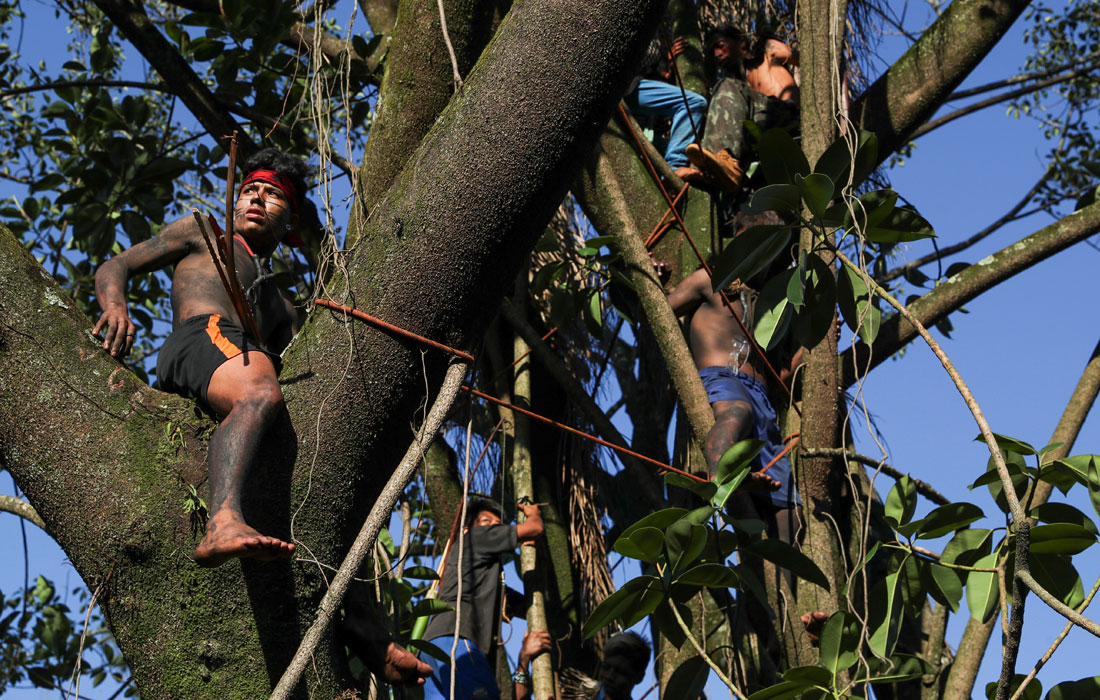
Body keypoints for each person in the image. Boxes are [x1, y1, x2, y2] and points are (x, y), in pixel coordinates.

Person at [94, 147, 310, 568]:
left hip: (226, 368)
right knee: (262, 389)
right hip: (201, 338)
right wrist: (116, 305)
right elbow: (116, 264)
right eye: (249, 190)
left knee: (275, 412)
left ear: (291, 222)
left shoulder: (282, 305)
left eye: (272, 194)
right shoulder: (202, 233)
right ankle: (224, 521)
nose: (256, 198)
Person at [665, 211, 800, 537]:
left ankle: (785, 578)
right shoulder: (709, 280)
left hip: (762, 398)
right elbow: (660, 310)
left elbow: (781, 378)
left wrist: (809, 350)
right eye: (748, 246)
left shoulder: (772, 307)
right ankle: (720, 479)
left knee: (790, 509)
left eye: (767, 248)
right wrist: (654, 278)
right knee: (736, 411)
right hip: (722, 379)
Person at [421, 497, 546, 700]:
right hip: (456, 638)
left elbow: (525, 606)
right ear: (467, 529)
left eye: (497, 525)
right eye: (486, 522)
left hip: (433, 646)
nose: (492, 528)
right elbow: (535, 527)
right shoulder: (474, 538)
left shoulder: (483, 578)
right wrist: (533, 514)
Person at [686, 26, 798, 196]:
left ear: (741, 42)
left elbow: (814, 59)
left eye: (721, 45)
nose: (717, 54)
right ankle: (712, 168)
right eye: (713, 51)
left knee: (727, 86)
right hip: (763, 139)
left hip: (788, 117)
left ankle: (726, 159)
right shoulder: (738, 88)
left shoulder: (766, 52)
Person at [625, 32, 708, 182]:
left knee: (661, 149)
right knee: (693, 102)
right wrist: (664, 57)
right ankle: (676, 165)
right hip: (629, 89)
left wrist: (666, 64)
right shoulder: (644, 32)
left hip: (640, 112)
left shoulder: (658, 37)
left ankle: (668, 180)